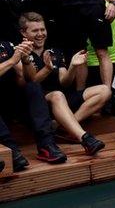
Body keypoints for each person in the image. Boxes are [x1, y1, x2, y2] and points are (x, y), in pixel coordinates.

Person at [19, 12, 108, 155]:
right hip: (36, 105)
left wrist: (73, 66)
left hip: (61, 101)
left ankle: (61, 125)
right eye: (35, 30)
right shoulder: (20, 53)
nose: (40, 34)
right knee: (57, 95)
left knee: (104, 91)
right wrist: (48, 69)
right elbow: (30, 81)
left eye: (43, 29)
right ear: (23, 32)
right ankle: (84, 138)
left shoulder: (54, 51)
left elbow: (64, 82)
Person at [0, 40, 67, 170]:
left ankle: (46, 145)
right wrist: (11, 61)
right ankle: (11, 150)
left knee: (33, 85)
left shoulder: (6, 46)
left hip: (12, 104)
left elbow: (29, 77)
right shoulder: (10, 57)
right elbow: (12, 61)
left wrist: (25, 60)